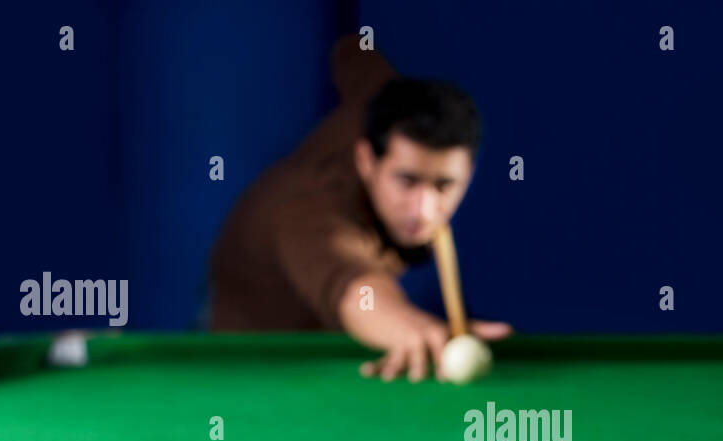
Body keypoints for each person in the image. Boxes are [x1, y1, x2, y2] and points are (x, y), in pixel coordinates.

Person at [207, 34, 511, 381]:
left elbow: (360, 64)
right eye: (408, 181)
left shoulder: (385, 103)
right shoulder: (309, 212)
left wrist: (350, 45)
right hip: (256, 338)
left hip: (346, 337)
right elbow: (353, 287)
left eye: (444, 185)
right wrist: (408, 327)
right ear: (367, 160)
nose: (426, 210)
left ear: (469, 171)